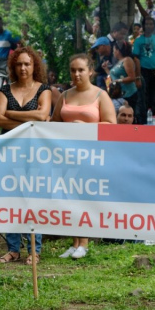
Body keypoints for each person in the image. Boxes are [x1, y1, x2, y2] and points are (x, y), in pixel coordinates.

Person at [52, 53, 116, 259]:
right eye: (73, 70)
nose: (77, 74)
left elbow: (112, 125)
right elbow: (53, 123)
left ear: (90, 71)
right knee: (70, 197)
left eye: (81, 70)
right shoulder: (64, 95)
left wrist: (86, 126)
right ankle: (74, 242)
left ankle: (85, 243)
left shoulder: (101, 95)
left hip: (91, 154)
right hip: (65, 154)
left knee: (85, 196)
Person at [0, 46, 51, 265]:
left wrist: (11, 113)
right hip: (10, 150)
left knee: (33, 199)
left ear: (34, 66)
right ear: (13, 67)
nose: (23, 68)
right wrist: (29, 119)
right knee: (12, 198)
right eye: (19, 64)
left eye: (27, 63)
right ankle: (13, 249)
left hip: (35, 151)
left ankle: (34, 250)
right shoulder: (5, 90)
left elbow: (43, 115)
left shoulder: (43, 89)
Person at [132, 16, 155, 120]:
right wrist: (138, 77)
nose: (149, 26)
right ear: (143, 26)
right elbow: (136, 58)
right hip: (143, 71)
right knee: (142, 97)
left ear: (154, 26)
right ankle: (142, 119)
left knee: (154, 96)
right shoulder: (138, 40)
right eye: (146, 24)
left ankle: (153, 118)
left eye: (151, 24)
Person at [109, 42, 138, 122]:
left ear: (118, 50)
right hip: (119, 94)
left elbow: (132, 77)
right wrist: (106, 69)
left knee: (127, 117)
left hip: (129, 94)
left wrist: (119, 81)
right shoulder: (118, 61)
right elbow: (115, 75)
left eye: (114, 50)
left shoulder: (127, 60)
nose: (113, 52)